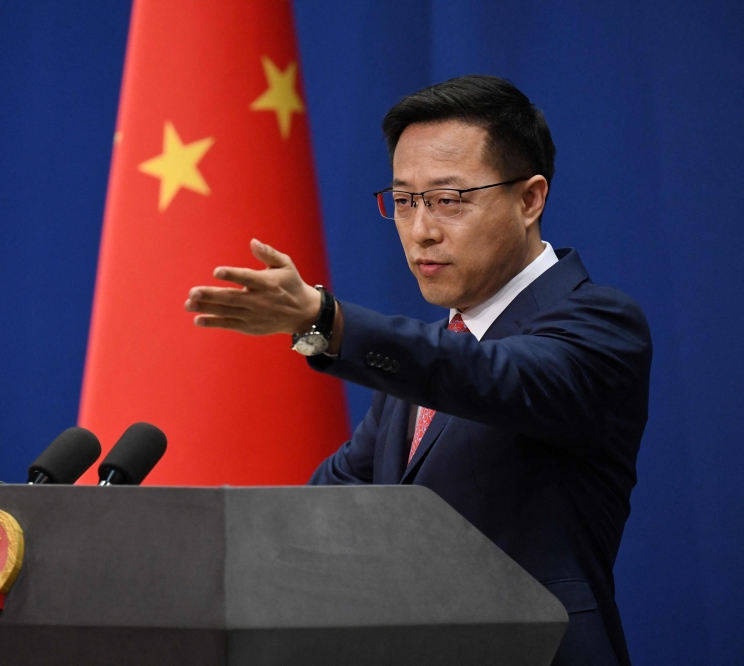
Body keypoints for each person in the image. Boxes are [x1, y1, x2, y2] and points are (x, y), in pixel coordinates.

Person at [184, 75, 650, 666]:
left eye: (449, 200)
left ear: (530, 199)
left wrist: (324, 319)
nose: (422, 230)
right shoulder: (419, 370)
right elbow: (320, 516)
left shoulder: (600, 325)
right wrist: (178, 548)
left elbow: (494, 377)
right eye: (404, 201)